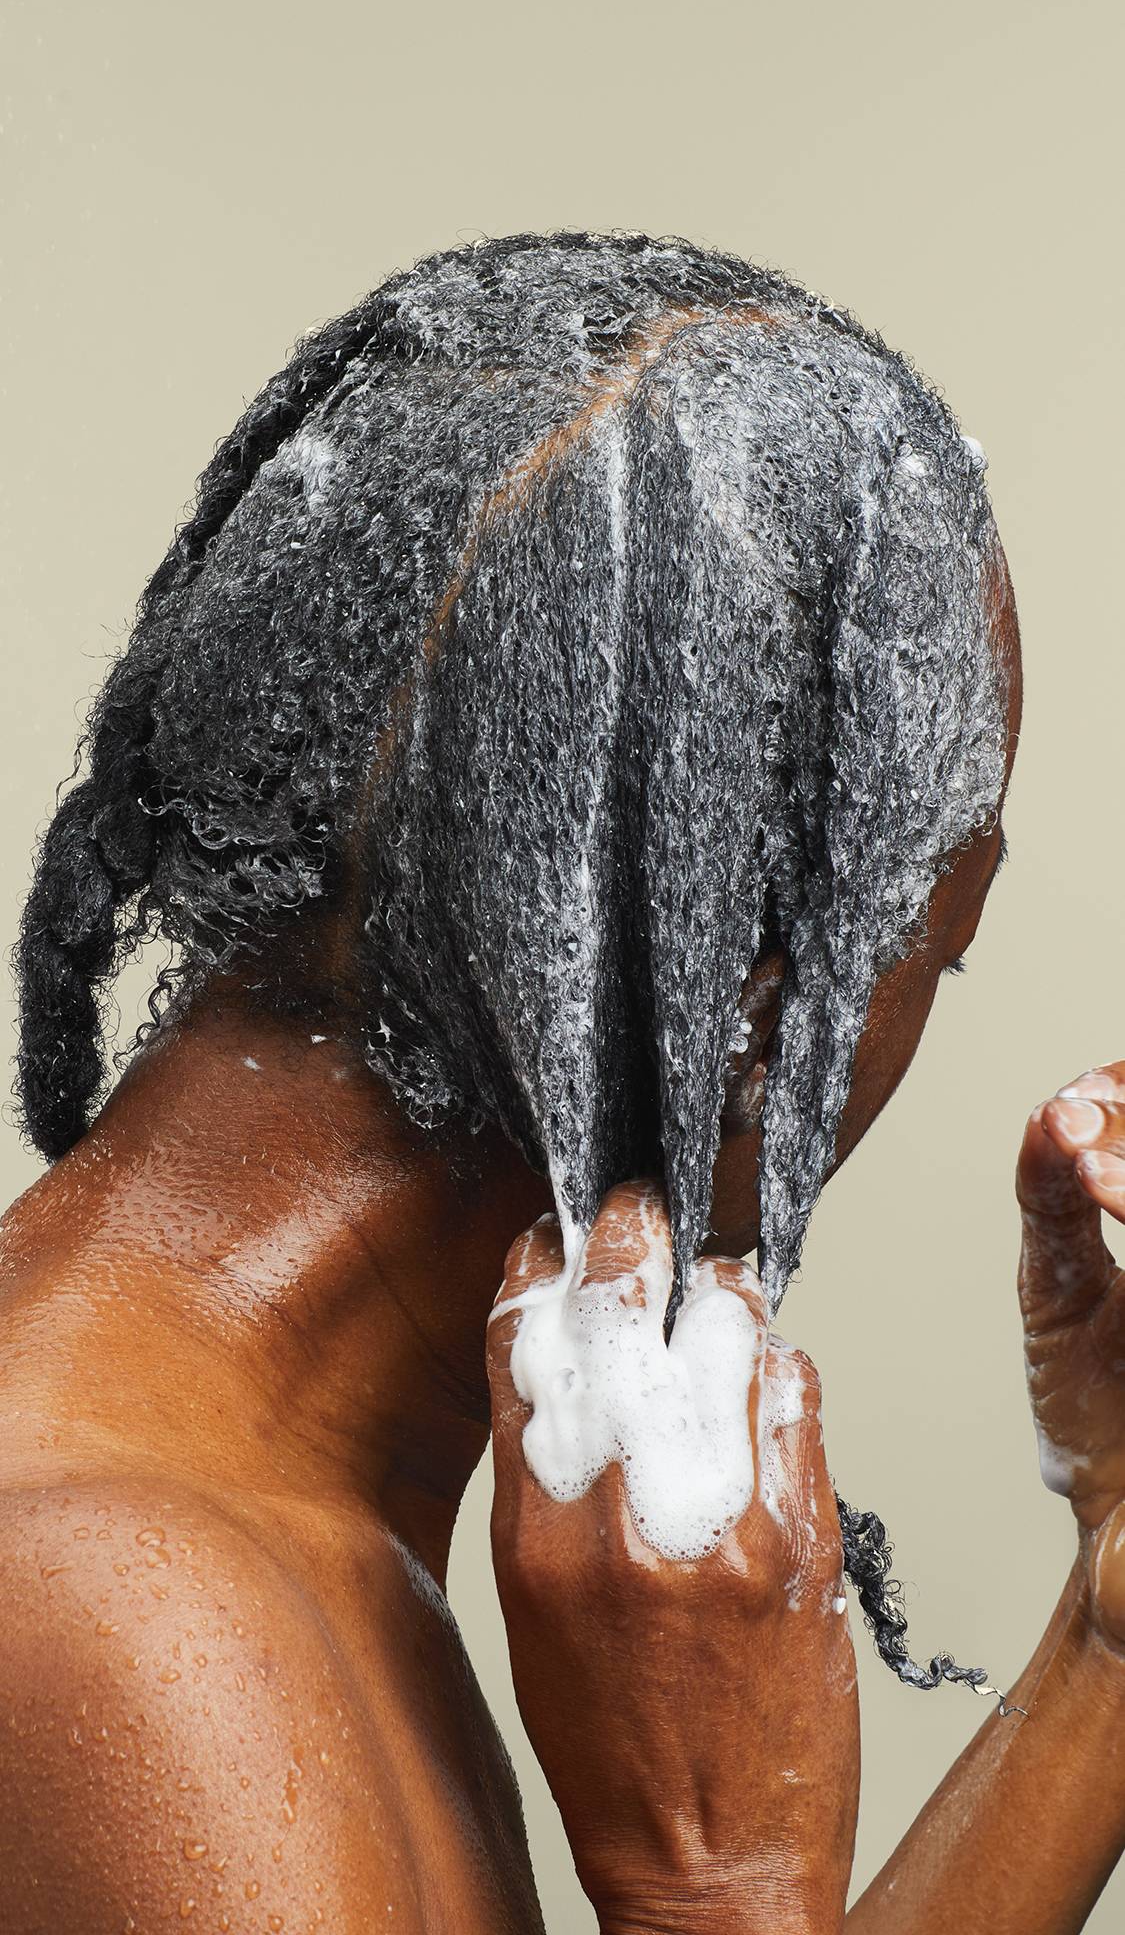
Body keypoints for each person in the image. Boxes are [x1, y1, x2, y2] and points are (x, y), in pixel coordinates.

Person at [0, 230, 1116, 1930]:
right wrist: (715, 1883)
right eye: (933, 942)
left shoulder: (212, 1509)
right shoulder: (137, 1626)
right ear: (754, 1006)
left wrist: (1106, 1631)